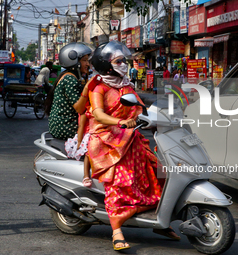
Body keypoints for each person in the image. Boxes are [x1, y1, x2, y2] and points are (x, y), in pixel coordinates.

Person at [88, 41, 180, 251]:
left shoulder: (126, 85)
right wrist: (119, 122)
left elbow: (141, 108)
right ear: (107, 65)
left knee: (157, 175)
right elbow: (98, 114)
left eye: (123, 60)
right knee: (120, 183)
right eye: (119, 61)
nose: (123, 64)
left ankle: (161, 222)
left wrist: (165, 117)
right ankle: (116, 231)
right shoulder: (98, 87)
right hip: (107, 140)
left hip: (130, 138)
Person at [45, 42, 94, 186]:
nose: (87, 64)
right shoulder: (70, 79)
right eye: (84, 60)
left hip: (63, 123)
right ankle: (87, 177)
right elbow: (79, 108)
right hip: (65, 125)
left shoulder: (70, 77)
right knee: (98, 138)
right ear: (74, 62)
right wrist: (87, 89)